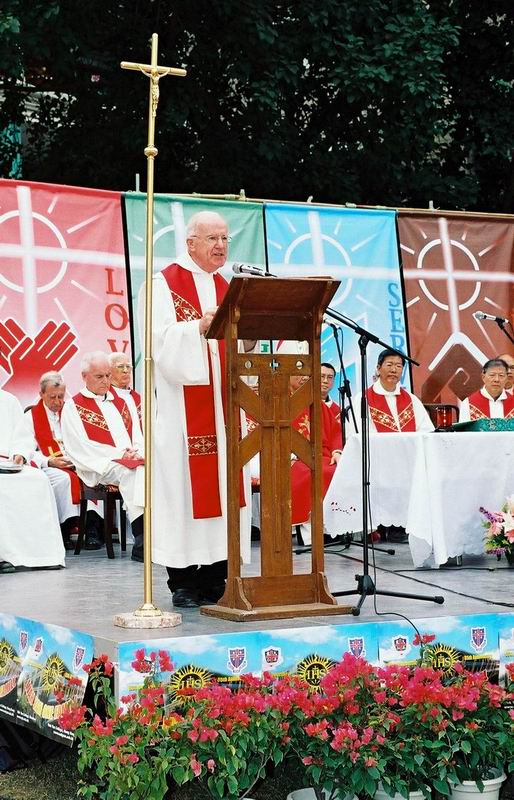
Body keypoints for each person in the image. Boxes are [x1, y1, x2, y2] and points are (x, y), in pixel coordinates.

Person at [138, 210, 252, 608]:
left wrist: (250, 338)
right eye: (212, 239)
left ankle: (218, 576)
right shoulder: (162, 284)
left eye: (225, 238)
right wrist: (196, 329)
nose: (220, 246)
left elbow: (240, 345)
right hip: (182, 413)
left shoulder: (229, 287)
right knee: (183, 492)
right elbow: (157, 342)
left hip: (225, 409)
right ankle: (184, 581)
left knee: (225, 488)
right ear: (191, 243)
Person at [61, 351, 144, 561]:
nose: (106, 381)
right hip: (96, 465)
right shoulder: (73, 406)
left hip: (127, 460)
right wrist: (120, 454)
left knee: (148, 470)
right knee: (132, 473)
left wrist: (136, 452)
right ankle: (142, 540)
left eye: (108, 375)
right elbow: (79, 446)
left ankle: (158, 534)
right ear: (84, 376)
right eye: (99, 376)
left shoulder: (122, 401)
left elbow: (138, 435)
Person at [25, 371, 103, 550]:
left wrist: (79, 459)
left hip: (75, 462)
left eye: (61, 396)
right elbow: (26, 449)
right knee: (64, 479)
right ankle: (65, 530)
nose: (57, 402)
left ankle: (92, 529)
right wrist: (49, 461)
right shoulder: (30, 418)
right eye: (52, 397)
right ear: (41, 394)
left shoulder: (71, 412)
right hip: (50, 465)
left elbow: (85, 441)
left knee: (94, 474)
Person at [0, 388, 65, 572]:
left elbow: (22, 437)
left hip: (7, 462)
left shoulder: (9, 400)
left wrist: (20, 453)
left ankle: (44, 555)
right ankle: (4, 555)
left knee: (38, 480)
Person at [290, 374, 342, 542]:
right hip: (294, 456)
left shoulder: (318, 404)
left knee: (337, 471)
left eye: (307, 374)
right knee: (310, 473)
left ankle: (332, 530)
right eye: (299, 373)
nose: (304, 377)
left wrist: (337, 452)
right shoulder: (279, 403)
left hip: (322, 454)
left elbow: (335, 432)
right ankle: (310, 534)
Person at [362, 349, 434, 433]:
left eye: (398, 366)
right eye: (389, 365)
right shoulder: (364, 398)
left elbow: (426, 431)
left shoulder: (412, 400)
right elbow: (360, 434)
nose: (393, 370)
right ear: (378, 368)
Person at [108, 352, 142, 430]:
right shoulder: (104, 397)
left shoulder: (138, 399)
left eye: (128, 366)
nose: (126, 370)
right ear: (109, 370)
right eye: (120, 366)